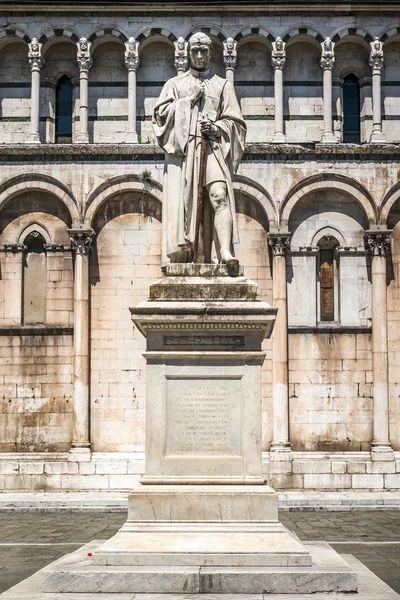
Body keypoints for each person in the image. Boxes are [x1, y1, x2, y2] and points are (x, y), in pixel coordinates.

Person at [153, 32, 246, 266]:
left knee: (219, 195)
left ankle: (225, 253)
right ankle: (189, 253)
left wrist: (216, 127)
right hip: (185, 153)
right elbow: (160, 118)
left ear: (210, 53)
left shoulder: (222, 85)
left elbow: (236, 123)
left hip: (212, 147)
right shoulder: (174, 85)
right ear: (188, 54)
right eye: (195, 50)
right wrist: (188, 101)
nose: (199, 55)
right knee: (186, 205)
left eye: (203, 50)